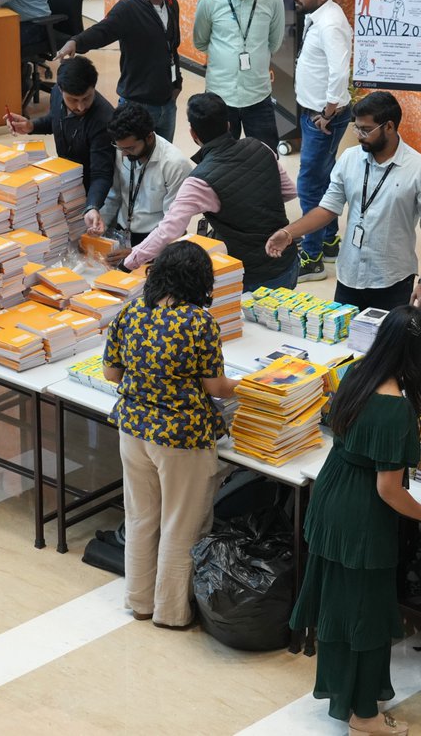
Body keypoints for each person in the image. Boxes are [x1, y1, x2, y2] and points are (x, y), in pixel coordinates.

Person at [289, 305, 421, 736]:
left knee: (340, 607)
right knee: (363, 615)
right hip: (363, 516)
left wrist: (418, 460)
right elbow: (388, 489)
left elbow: (363, 440)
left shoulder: (357, 375)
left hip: (332, 496)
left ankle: (348, 692)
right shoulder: (398, 408)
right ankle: (363, 714)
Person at [102, 240, 240, 628]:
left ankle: (140, 601)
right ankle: (172, 613)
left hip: (132, 429)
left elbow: (112, 373)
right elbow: (215, 387)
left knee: (142, 518)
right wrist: (245, 386)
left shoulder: (131, 313)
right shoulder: (199, 323)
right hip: (182, 436)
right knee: (182, 525)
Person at [265, 91, 421, 312]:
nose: (359, 135)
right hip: (349, 275)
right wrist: (289, 233)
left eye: (366, 130)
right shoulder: (350, 158)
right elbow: (328, 208)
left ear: (389, 126)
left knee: (385, 345)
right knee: (341, 341)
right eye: (357, 128)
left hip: (392, 279)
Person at [124, 92, 299, 292]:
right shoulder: (260, 146)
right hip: (288, 262)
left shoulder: (199, 181)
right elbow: (289, 192)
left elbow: (167, 231)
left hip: (251, 276)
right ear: (228, 125)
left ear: (193, 134)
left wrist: (129, 261)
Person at [57, 0, 183, 142]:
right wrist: (76, 41)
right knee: (135, 161)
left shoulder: (171, 3)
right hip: (138, 103)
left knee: (163, 161)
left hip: (167, 103)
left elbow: (172, 47)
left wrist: (177, 83)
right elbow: (103, 30)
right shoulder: (129, 9)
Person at [292, 0, 352, 283]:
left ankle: (312, 255)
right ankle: (328, 242)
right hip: (315, 113)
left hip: (323, 119)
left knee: (310, 183)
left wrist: (328, 113)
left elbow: (340, 72)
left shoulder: (329, 24)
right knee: (324, 178)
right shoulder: (319, 16)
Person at [193, 0, 286, 150]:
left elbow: (275, 42)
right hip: (220, 95)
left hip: (258, 94)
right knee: (219, 159)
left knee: (266, 156)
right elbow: (200, 41)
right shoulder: (210, 0)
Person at [5, 56, 115, 217]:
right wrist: (31, 126)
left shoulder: (103, 120)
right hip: (64, 175)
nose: (80, 106)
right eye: (73, 100)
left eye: (86, 98)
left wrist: (92, 206)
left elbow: (101, 174)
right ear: (61, 89)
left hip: (89, 188)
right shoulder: (56, 93)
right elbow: (56, 120)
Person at [91, 102, 193, 265]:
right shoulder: (123, 151)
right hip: (121, 234)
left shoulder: (175, 165)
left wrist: (138, 253)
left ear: (149, 137)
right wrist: (98, 227)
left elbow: (173, 225)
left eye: (130, 148)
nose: (124, 154)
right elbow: (115, 195)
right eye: (119, 147)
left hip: (156, 242)